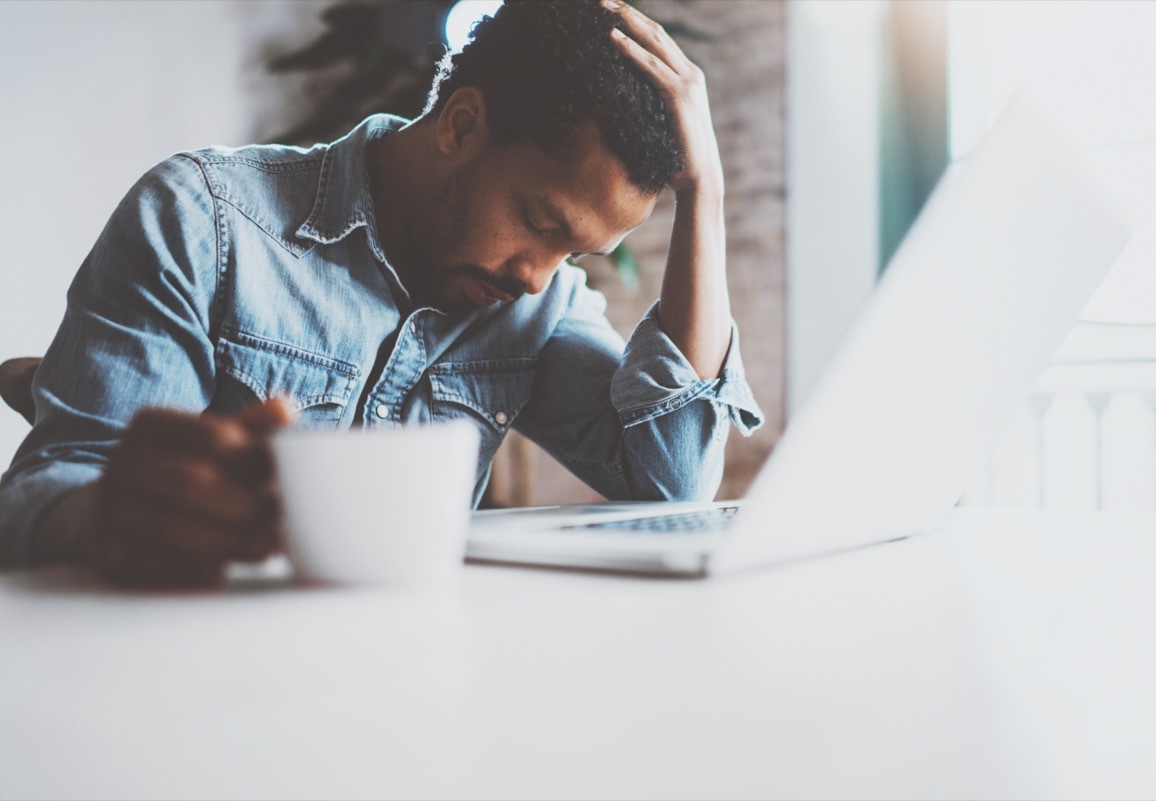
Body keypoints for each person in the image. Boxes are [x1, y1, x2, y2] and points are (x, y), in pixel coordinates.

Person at [0, 0, 762, 586]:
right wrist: (102, 514)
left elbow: (673, 488)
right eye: (536, 220)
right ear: (461, 125)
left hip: (403, 690)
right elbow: (36, 497)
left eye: (577, 254)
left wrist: (708, 197)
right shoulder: (203, 223)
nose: (537, 275)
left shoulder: (534, 303)